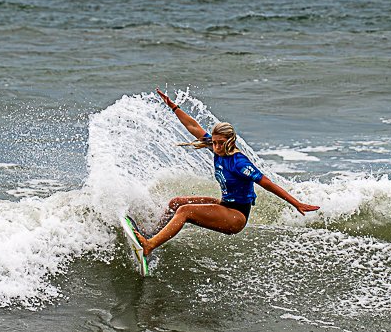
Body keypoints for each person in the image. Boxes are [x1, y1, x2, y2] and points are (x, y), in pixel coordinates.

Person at [132, 90, 320, 256]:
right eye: (214, 142)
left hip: (236, 216)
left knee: (185, 210)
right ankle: (153, 234)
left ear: (230, 141)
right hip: (225, 204)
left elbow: (268, 183)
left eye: (220, 143)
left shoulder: (239, 163)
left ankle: (150, 246)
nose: (216, 146)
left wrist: (297, 204)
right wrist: (174, 107)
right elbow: (193, 127)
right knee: (176, 203)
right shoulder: (217, 148)